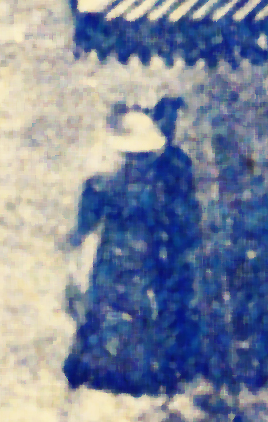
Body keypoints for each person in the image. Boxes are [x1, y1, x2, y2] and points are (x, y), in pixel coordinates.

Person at [65, 106, 201, 398]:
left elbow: (82, 229)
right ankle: (131, 373)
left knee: (115, 309)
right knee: (134, 312)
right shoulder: (158, 188)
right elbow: (181, 228)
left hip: (118, 257)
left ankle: (109, 370)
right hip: (141, 258)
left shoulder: (103, 185)